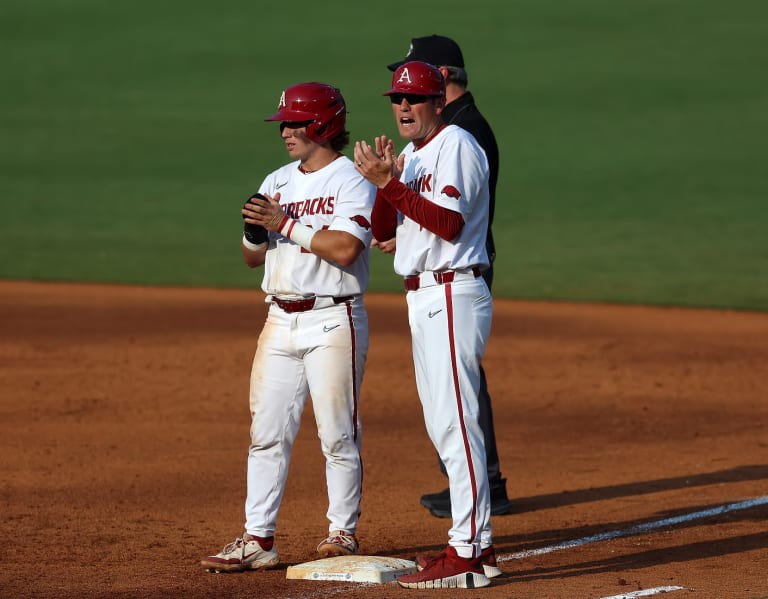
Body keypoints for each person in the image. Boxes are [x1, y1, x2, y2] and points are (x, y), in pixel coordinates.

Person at [201, 82, 376, 573]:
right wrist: (254, 233)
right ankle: (258, 538)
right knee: (266, 433)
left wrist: (285, 222)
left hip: (332, 318)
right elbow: (250, 259)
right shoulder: (276, 179)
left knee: (338, 433)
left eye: (294, 122)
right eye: (284, 123)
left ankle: (342, 530)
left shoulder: (350, 180)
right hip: (279, 319)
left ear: (323, 125)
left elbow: (345, 249)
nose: (285, 131)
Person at [354, 61, 498, 589]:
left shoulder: (457, 143)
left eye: (414, 98)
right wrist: (382, 184)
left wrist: (391, 182)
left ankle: (468, 550)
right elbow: (385, 229)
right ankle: (474, 547)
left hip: (454, 290)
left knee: (457, 424)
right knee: (444, 424)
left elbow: (449, 223)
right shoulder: (413, 156)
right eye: (397, 99)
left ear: (439, 100)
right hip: (425, 297)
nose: (403, 107)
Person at [384, 34, 511, 519]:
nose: (403, 100)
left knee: (458, 403)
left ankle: (477, 521)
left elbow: (457, 216)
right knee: (447, 408)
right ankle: (474, 500)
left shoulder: (464, 133)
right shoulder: (425, 143)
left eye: (413, 88)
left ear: (441, 82)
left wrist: (395, 191)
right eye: (398, 94)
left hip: (457, 274)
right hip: (435, 274)